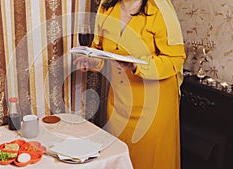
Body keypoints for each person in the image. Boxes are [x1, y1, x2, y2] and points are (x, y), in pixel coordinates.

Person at [73, 0, 186, 168]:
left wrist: (138, 65)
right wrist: (91, 62)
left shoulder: (159, 9)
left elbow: (175, 59)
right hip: (120, 103)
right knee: (119, 158)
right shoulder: (106, 7)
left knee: (151, 161)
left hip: (154, 106)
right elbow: (100, 51)